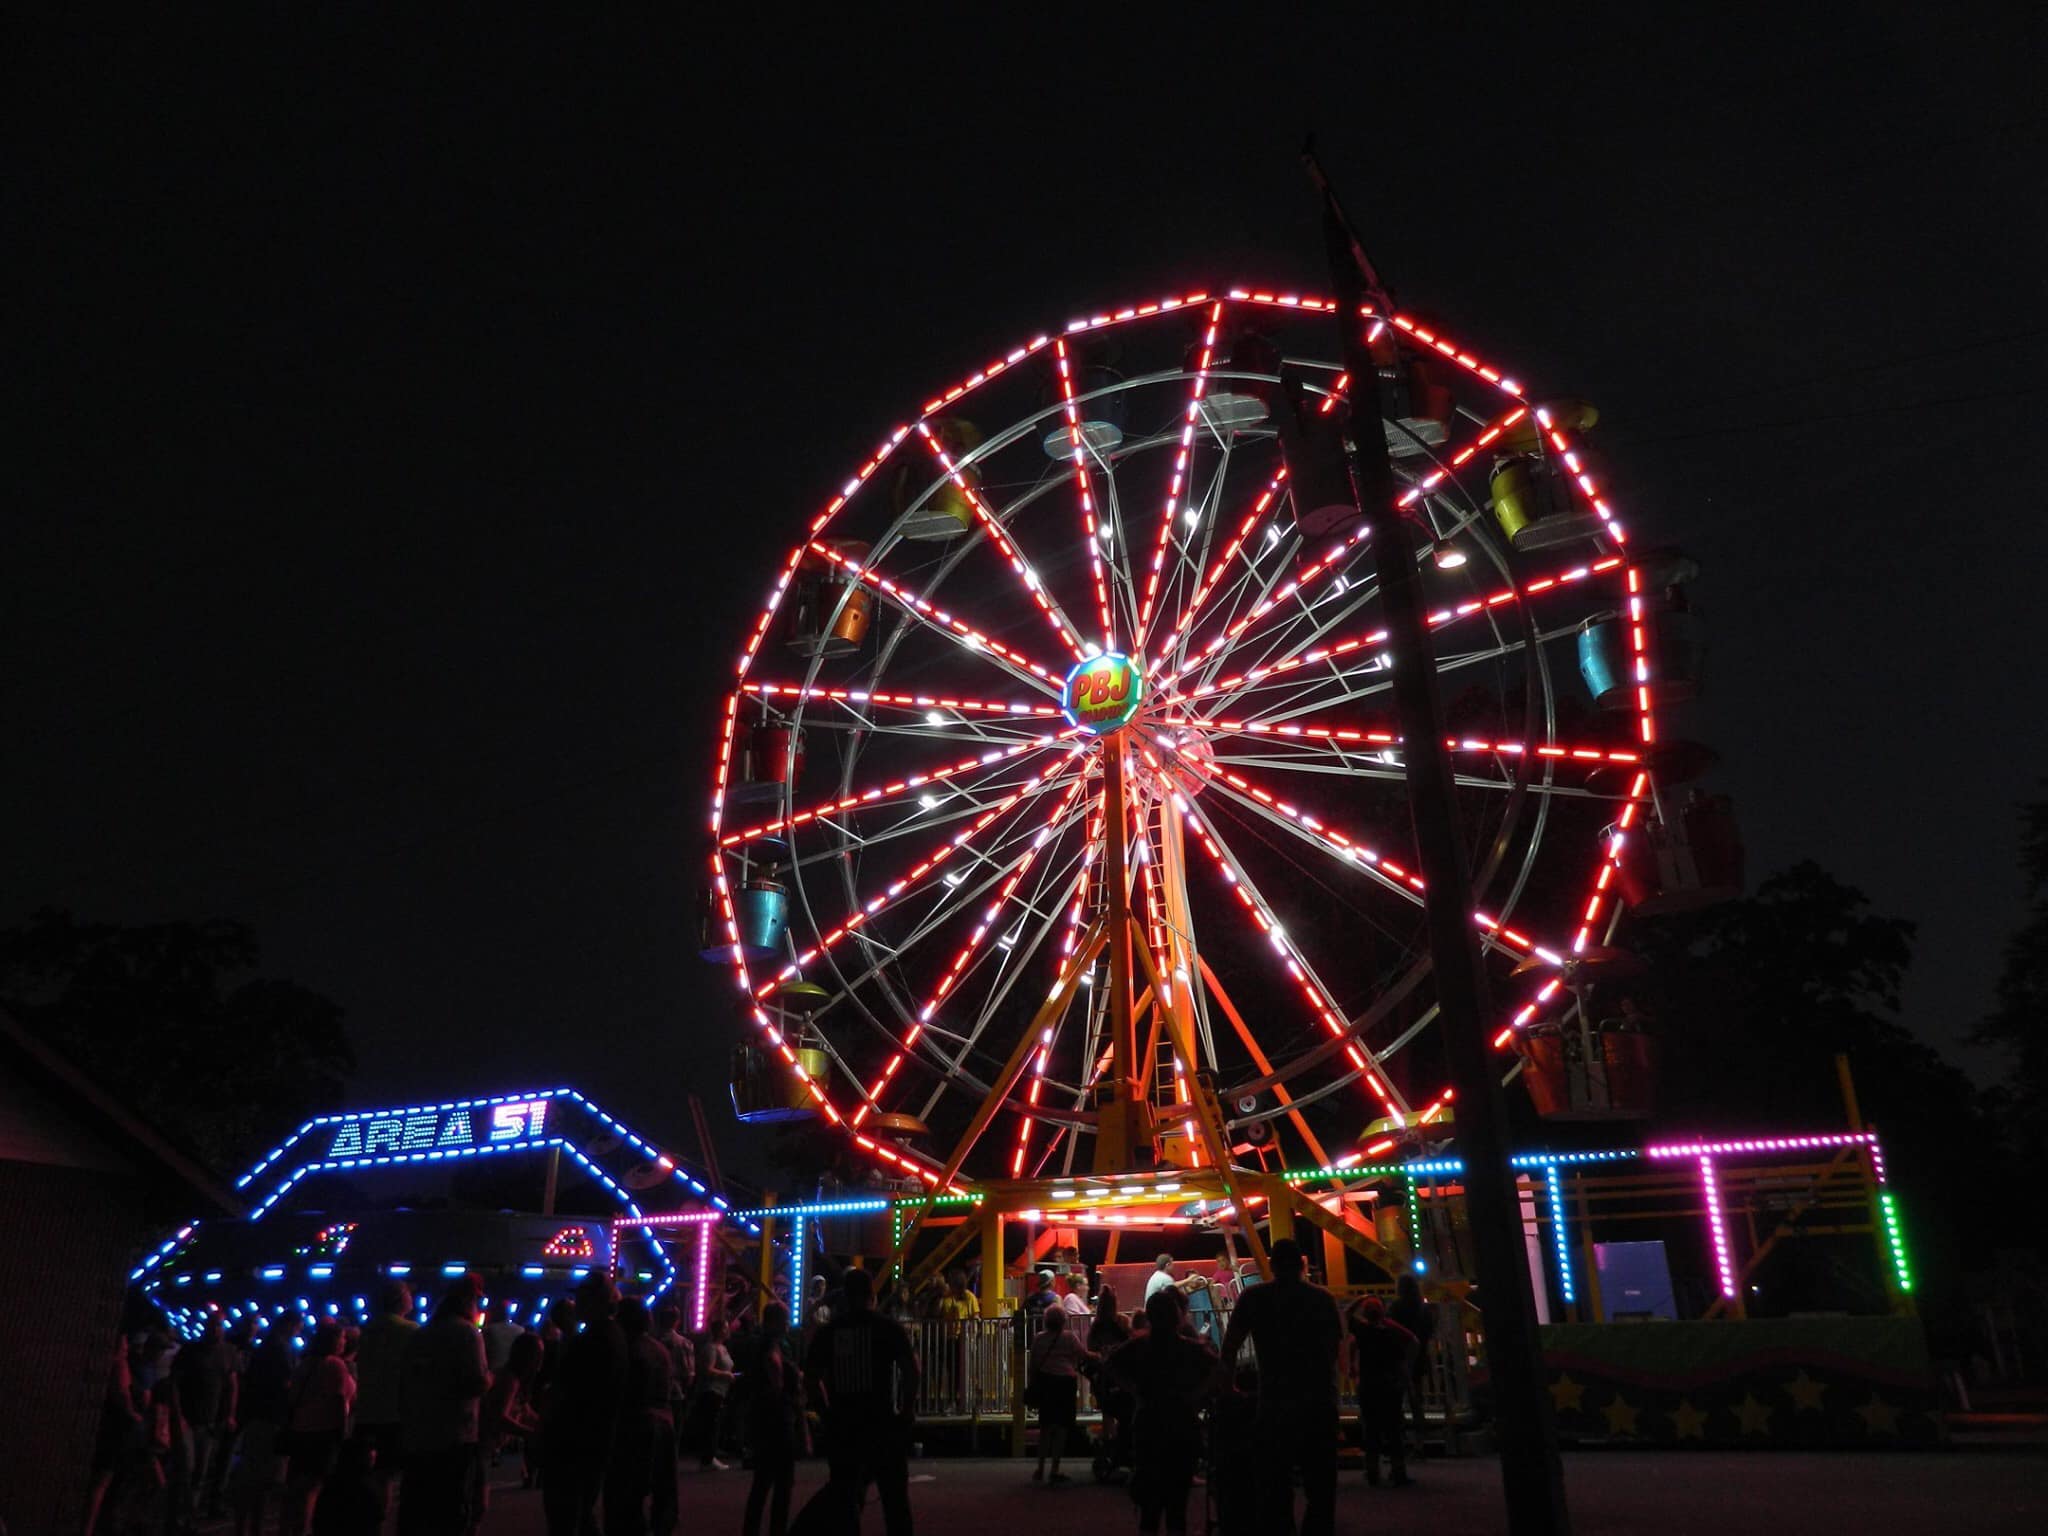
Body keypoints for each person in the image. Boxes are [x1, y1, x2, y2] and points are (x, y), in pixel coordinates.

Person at [1216, 1239, 1341, 1536]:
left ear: (1271, 1266)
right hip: (1316, 1400)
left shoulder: (1254, 1298)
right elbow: (1334, 1349)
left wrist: (1229, 1389)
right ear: (1302, 1265)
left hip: (1274, 1401)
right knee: (1320, 1487)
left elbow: (1230, 1346)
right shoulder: (1321, 1299)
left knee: (1274, 1486)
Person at [800, 1267, 919, 1536]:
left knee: (846, 1498)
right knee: (895, 1501)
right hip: (883, 1423)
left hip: (844, 1426)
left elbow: (811, 1378)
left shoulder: (829, 1332)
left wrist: (826, 1412)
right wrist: (907, 1410)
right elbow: (912, 1370)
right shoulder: (888, 1328)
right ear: (872, 1295)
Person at [1105, 1289, 1216, 1535]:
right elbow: (1216, 1369)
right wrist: (1197, 1395)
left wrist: (1133, 1389)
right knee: (1177, 1505)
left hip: (1149, 1422)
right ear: (1177, 1316)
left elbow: (1110, 1364)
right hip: (1181, 1422)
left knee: (1150, 1504)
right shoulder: (1190, 1348)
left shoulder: (1139, 1346)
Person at [397, 1277, 488, 1536]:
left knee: (418, 1510)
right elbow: (476, 1383)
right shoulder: (467, 1334)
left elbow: (405, 1383)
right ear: (468, 1301)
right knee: (452, 1510)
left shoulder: (421, 1334)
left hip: (419, 1435)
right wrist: (490, 1379)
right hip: (455, 1436)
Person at [542, 1271, 628, 1536]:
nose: (576, 1303)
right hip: (596, 1436)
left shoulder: (591, 1340)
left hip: (576, 1439)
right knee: (582, 1511)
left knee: (568, 1513)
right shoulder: (612, 1335)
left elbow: (569, 1392)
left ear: (594, 1301)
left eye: (580, 1297)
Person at [604, 1297, 678, 1536]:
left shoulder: (626, 1349)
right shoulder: (659, 1349)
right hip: (663, 1422)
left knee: (627, 1496)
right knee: (662, 1493)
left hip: (635, 1424)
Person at [229, 1313, 303, 1536]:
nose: (299, 1331)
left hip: (258, 1416)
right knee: (261, 1477)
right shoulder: (281, 1350)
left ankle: (245, 1525)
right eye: (297, 1327)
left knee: (253, 1475)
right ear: (289, 1326)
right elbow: (287, 1383)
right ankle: (252, 1526)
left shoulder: (265, 1348)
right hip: (271, 1418)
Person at [352, 1279, 417, 1523]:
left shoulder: (366, 1330)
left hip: (367, 1411)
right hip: (397, 1413)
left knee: (371, 1477)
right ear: (401, 1300)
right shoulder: (410, 1331)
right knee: (390, 1478)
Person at [283, 1321, 356, 1536]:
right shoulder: (334, 1365)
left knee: (296, 1486)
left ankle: (287, 1529)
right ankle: (303, 1529)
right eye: (342, 1337)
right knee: (312, 1488)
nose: (344, 1341)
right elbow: (339, 1402)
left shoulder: (305, 1363)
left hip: (301, 1429)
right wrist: (343, 1434)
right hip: (323, 1432)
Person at [741, 1301, 806, 1536]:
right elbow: (775, 1366)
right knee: (782, 1484)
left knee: (761, 1483)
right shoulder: (775, 1345)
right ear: (775, 1321)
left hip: (763, 1417)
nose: (788, 1324)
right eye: (785, 1319)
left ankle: (751, 1530)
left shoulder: (757, 1344)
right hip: (779, 1418)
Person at [174, 1314, 241, 1524]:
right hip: (188, 1419)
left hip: (209, 1422)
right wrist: (178, 1415)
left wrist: (229, 1414)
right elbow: (174, 1383)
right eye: (213, 1325)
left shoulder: (228, 1353)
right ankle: (177, 1515)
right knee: (188, 1468)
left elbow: (232, 1386)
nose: (216, 1330)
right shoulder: (191, 1351)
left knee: (199, 1472)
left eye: (219, 1325)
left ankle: (187, 1516)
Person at [1346, 1296, 1417, 1488]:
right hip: (1389, 1385)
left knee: (1371, 1431)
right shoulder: (1390, 1333)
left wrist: (1358, 1300)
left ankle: (1372, 1472)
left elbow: (1347, 1315)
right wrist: (1406, 1374)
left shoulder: (1362, 1331)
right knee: (1394, 1430)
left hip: (1369, 1385)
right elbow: (1410, 1344)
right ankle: (1399, 1471)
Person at [475, 1332, 543, 1532]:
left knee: (476, 1503)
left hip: (487, 1445)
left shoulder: (514, 1380)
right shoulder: (510, 1381)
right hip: (481, 1443)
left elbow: (525, 1410)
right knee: (478, 1504)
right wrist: (530, 1433)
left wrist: (542, 1424)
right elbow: (500, 1418)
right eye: (538, 1354)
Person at [1026, 1307, 1088, 1485]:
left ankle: (1040, 1468)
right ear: (1063, 1321)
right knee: (1061, 1427)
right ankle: (1055, 1468)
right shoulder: (1068, 1337)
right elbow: (1083, 1354)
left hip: (1046, 1383)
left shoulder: (1039, 1338)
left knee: (1045, 1427)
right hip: (1065, 1384)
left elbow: (1034, 1365)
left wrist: (1032, 1385)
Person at [1387, 1272, 1436, 1439]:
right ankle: (1420, 1440)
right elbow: (1429, 1331)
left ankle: (1398, 1439)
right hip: (1419, 1356)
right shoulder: (1423, 1308)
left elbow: (1390, 1329)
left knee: (1396, 1400)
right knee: (1417, 1400)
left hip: (1399, 1357)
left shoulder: (1396, 1307)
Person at [687, 1316, 737, 1470]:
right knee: (711, 1425)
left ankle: (710, 1456)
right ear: (719, 1330)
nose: (728, 1330)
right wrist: (726, 1375)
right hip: (711, 1391)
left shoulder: (723, 1348)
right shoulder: (711, 1348)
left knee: (715, 1424)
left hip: (721, 1390)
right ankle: (708, 1458)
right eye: (725, 1327)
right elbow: (707, 1370)